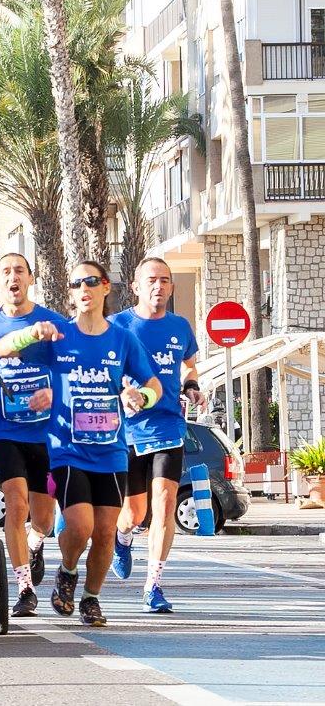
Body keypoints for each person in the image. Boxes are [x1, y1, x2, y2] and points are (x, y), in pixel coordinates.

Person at [0, 261, 162, 627]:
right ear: (70, 293)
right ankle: (67, 571)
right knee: (80, 526)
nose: (83, 288)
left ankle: (91, 598)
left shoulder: (123, 339)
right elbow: (1, 349)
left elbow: (153, 384)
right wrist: (29, 334)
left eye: (91, 281)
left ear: (105, 288)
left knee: (104, 533)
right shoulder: (59, 337)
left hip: (112, 451)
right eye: (75, 283)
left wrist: (141, 397)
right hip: (67, 449)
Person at [108, 257, 203, 613]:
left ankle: (154, 586)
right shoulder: (119, 325)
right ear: (136, 286)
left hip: (168, 426)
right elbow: (104, 367)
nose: (158, 286)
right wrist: (122, 392)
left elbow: (188, 363)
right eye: (151, 280)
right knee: (135, 513)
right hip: (129, 430)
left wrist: (191, 385)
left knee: (164, 507)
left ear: (171, 287)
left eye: (165, 280)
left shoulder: (179, 326)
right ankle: (123, 537)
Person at [0, 253, 63, 617]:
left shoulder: (54, 322)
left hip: (45, 432)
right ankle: (24, 587)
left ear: (30, 279)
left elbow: (68, 370)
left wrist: (56, 394)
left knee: (42, 517)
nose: (13, 277)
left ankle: (36, 542)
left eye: (19, 271)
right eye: (6, 271)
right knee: (16, 504)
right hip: (6, 427)